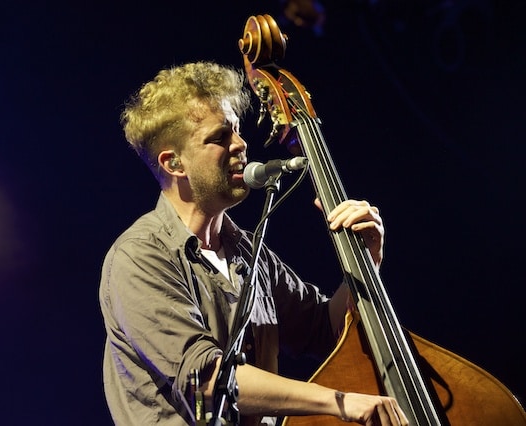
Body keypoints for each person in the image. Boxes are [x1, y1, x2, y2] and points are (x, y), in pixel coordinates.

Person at [99, 61, 408, 426]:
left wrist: (367, 259)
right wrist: (339, 401)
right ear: (174, 163)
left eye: (237, 130)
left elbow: (325, 329)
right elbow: (207, 379)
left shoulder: (247, 250)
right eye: (219, 137)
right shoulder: (139, 256)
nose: (241, 144)